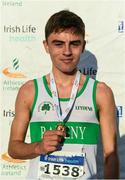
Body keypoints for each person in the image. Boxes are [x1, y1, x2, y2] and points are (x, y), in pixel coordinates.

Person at [8, 10, 119, 179]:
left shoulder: (101, 93)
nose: (67, 52)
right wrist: (38, 147)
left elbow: (110, 156)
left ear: (83, 46)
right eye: (58, 44)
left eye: (74, 44)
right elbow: (14, 148)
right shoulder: (29, 91)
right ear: (46, 46)